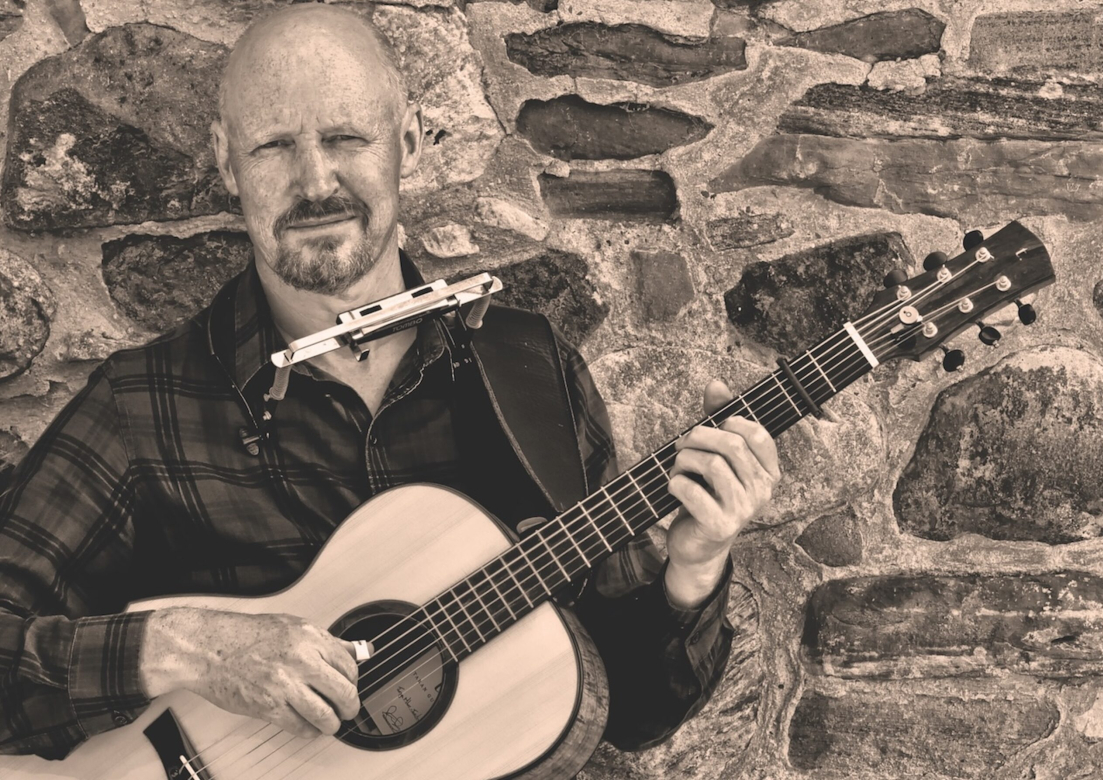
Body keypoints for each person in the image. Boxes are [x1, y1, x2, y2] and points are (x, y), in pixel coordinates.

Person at [0, 3, 780, 763]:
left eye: (346, 137)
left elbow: (629, 716)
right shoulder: (142, 404)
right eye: (273, 146)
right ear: (224, 158)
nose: (315, 182)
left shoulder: (529, 372)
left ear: (407, 138)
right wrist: (183, 647)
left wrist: (693, 569)